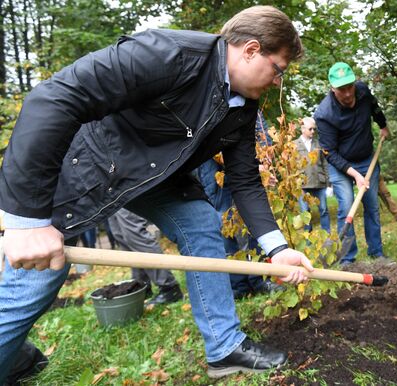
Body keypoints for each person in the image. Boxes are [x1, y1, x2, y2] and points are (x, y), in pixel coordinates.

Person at [0, 6, 314, 382]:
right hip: (95, 168)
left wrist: (277, 248)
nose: (278, 82)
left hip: (156, 179)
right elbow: (53, 98)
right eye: (278, 69)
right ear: (249, 50)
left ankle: (224, 346)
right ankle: (11, 354)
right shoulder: (167, 53)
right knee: (36, 278)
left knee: (200, 222)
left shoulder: (243, 107)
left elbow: (244, 179)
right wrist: (26, 221)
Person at [195, 111, 283, 299]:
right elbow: (207, 141)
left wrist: (264, 165)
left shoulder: (251, 106)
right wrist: (249, 165)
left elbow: (262, 135)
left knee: (255, 221)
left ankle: (259, 279)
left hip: (245, 166)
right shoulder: (211, 98)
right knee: (224, 221)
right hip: (213, 170)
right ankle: (237, 284)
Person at [314, 62, 389, 265]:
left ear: (355, 82)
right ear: (332, 88)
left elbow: (374, 107)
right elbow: (329, 152)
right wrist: (355, 175)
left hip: (367, 159)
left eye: (349, 87)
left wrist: (383, 125)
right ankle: (348, 258)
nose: (347, 94)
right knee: (347, 205)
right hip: (340, 165)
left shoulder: (363, 91)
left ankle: (377, 253)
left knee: (371, 205)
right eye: (341, 89)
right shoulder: (324, 114)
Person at [108, 208, 184, 306]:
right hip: (106, 195)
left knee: (134, 233)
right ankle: (141, 286)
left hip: (121, 194)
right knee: (120, 234)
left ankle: (169, 288)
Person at [293, 117, 330, 232]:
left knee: (324, 210)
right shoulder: (294, 145)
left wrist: (329, 184)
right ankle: (308, 239)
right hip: (303, 185)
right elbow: (291, 166)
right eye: (310, 129)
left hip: (319, 183)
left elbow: (324, 163)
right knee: (305, 213)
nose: (313, 131)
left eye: (314, 129)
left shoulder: (318, 144)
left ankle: (327, 236)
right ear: (303, 129)